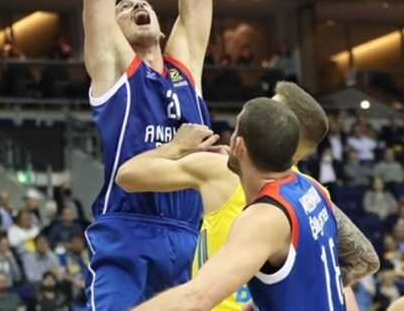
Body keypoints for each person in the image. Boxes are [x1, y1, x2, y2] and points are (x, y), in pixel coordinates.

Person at [80, 0, 214, 311]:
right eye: (124, 5)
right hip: (127, 234)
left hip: (189, 235)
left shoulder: (186, 64)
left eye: (141, 1)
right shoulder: (115, 69)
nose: (136, 2)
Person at [116, 83, 378, 310]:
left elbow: (127, 175)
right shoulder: (315, 192)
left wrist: (176, 147)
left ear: (239, 145)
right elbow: (366, 260)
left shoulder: (256, 206)